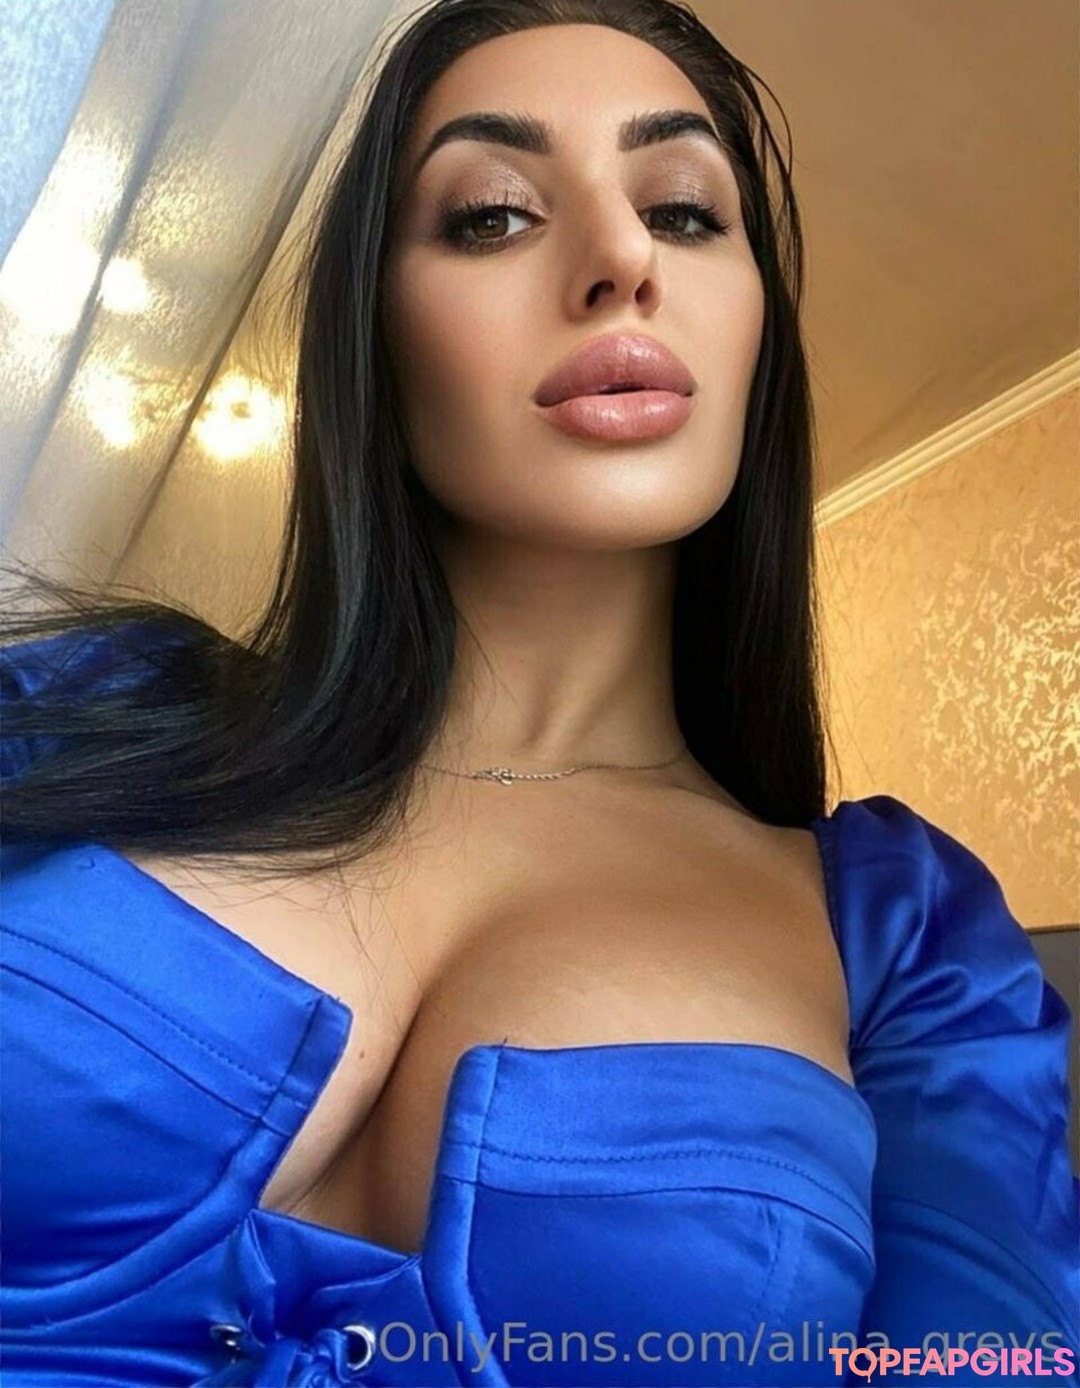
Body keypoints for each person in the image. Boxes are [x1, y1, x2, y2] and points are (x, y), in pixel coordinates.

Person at [1, 1, 1076, 1384]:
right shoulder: (90, 705)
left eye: (684, 211)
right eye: (493, 216)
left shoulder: (900, 930)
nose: (623, 258)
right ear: (372, 335)